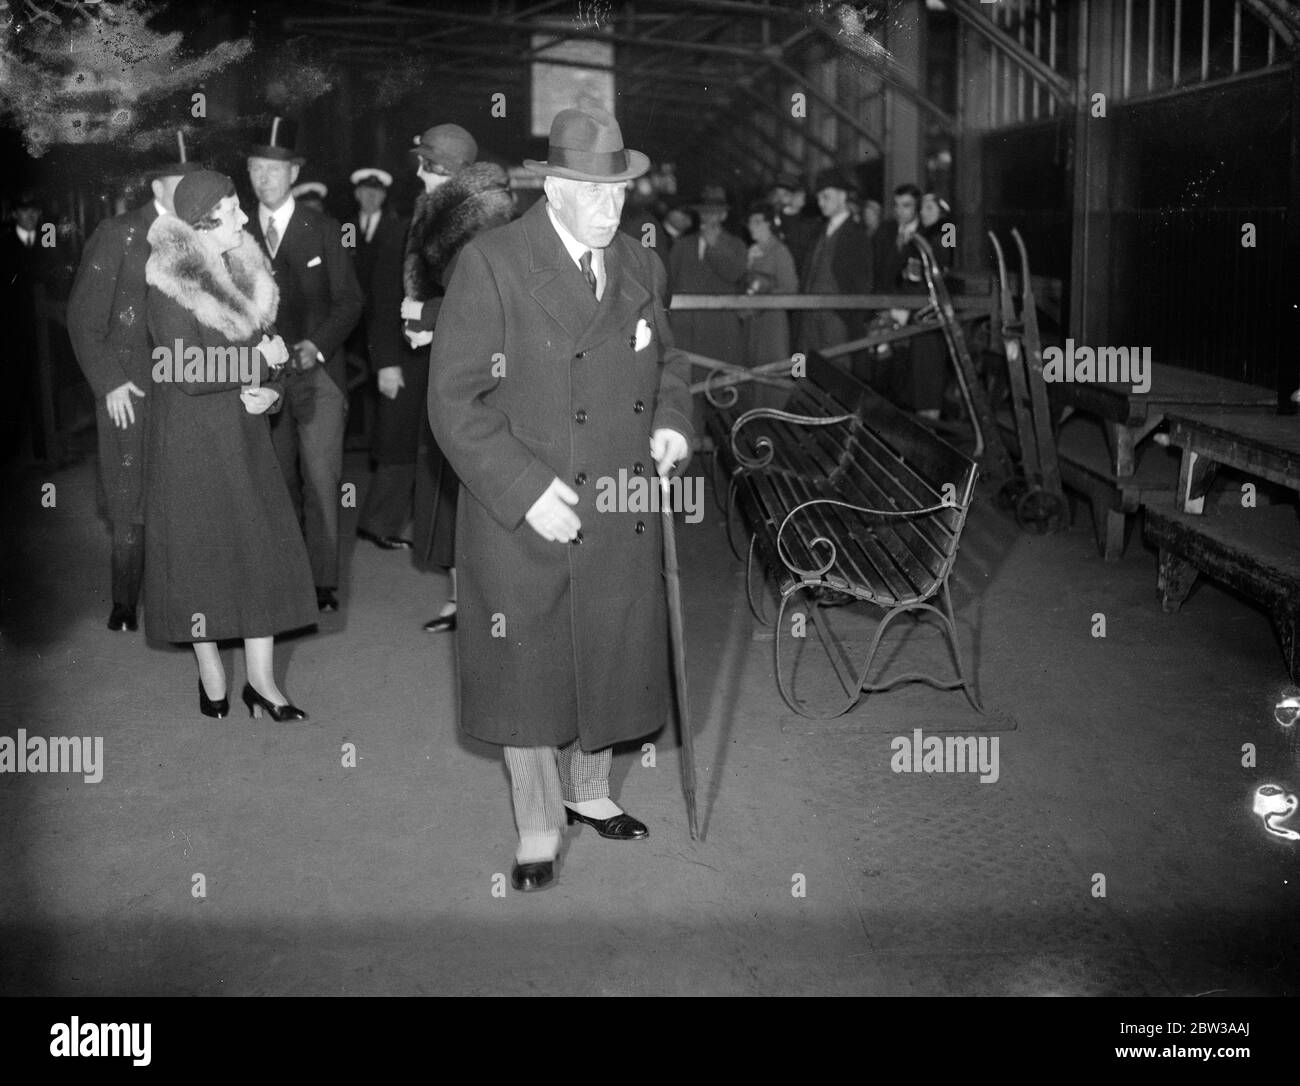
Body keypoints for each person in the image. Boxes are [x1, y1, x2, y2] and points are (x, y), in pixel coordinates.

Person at [427, 105, 693, 893]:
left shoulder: (642, 266)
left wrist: (676, 423)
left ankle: (591, 792)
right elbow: (454, 402)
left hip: (614, 504)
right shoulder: (493, 263)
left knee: (606, 651)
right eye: (596, 193)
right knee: (530, 670)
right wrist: (523, 488)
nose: (613, 209)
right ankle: (539, 827)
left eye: (622, 194)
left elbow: (671, 362)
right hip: (529, 508)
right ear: (556, 188)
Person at [143, 169, 317, 720]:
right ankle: (212, 673)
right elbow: (182, 367)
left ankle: (262, 682)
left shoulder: (246, 270)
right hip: (192, 446)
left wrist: (271, 393)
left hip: (244, 439)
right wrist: (256, 365)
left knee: (258, 550)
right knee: (203, 558)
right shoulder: (169, 284)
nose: (245, 218)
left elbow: (275, 353)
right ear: (206, 221)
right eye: (235, 210)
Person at [369, 123, 513, 631]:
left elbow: (489, 300)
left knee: (473, 480)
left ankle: (484, 600)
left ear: (442, 170)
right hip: (442, 360)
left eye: (424, 164)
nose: (418, 173)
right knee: (447, 481)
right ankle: (459, 598)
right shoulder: (433, 209)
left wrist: (427, 316)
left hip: (479, 370)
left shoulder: (486, 220)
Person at [67, 140, 204, 630]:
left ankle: (180, 596)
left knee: (180, 491)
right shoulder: (119, 233)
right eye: (178, 183)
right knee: (129, 496)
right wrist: (109, 384)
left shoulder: (201, 233)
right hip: (130, 389)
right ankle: (125, 600)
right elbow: (83, 320)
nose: (189, 190)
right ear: (156, 187)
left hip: (184, 386)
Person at [247, 116, 364, 614]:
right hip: (261, 378)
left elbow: (350, 301)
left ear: (293, 173)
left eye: (274, 170)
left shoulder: (324, 229)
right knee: (275, 479)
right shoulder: (237, 229)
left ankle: (321, 583)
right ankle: (285, 576)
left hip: (317, 374)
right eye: (255, 168)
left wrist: (315, 345)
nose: (263, 178)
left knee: (320, 478)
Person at [667, 184, 746, 433]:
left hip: (719, 336)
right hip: (686, 334)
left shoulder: (736, 245)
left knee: (722, 396)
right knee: (688, 398)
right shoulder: (682, 245)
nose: (708, 218)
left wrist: (713, 248)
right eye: (704, 213)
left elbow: (734, 273)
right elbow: (671, 282)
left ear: (723, 215)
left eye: (714, 213)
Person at [797, 168, 872, 374]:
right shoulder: (817, 233)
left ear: (842, 196)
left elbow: (863, 285)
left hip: (838, 320)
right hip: (810, 318)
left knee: (837, 375)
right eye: (819, 197)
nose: (821, 202)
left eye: (826, 196)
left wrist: (849, 319)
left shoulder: (857, 236)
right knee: (807, 373)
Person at [739, 202, 798, 410]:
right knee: (753, 367)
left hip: (772, 322)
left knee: (772, 370)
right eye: (750, 222)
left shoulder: (779, 251)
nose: (752, 227)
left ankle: (775, 416)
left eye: (757, 222)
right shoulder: (752, 252)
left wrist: (765, 293)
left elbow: (790, 288)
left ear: (768, 224)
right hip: (753, 322)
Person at [769, 172, 818, 281]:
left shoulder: (811, 223)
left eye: (785, 193)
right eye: (778, 193)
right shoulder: (773, 221)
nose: (780, 198)